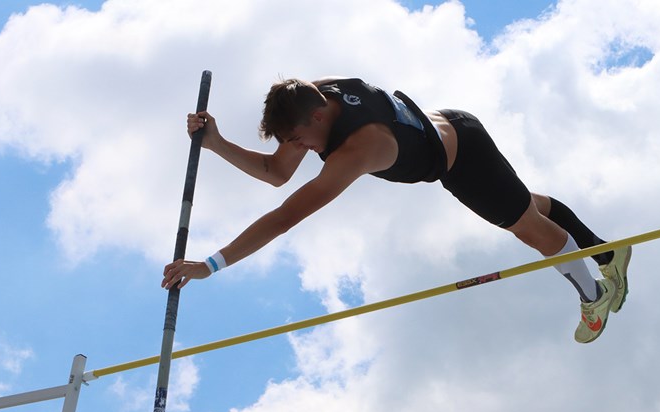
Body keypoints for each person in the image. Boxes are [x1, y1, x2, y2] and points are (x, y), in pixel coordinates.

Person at [161, 76, 631, 343]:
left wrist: (211, 264)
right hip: (449, 129)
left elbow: (285, 215)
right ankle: (607, 254)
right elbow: (276, 172)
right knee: (525, 205)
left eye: (300, 139)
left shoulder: (360, 149)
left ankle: (595, 296)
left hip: (460, 156)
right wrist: (216, 143)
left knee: (526, 225)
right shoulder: (315, 95)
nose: (299, 150)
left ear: (320, 116)